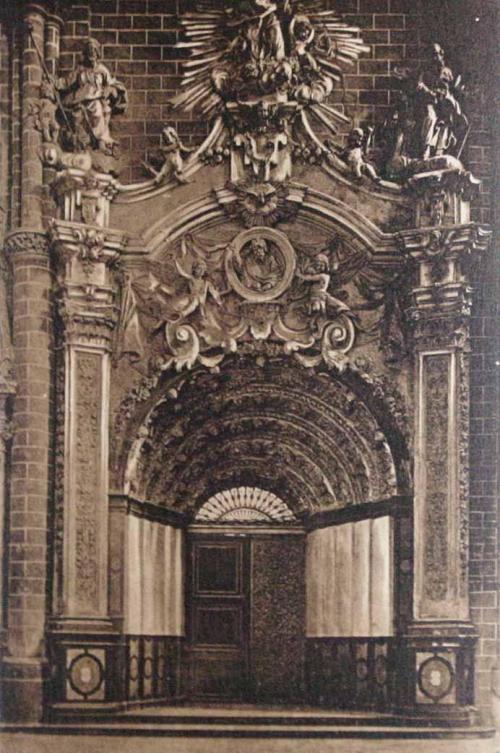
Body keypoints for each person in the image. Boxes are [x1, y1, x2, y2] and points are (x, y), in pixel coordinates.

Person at [57, 38, 127, 154]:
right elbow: (66, 82)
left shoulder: (102, 70)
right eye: (89, 51)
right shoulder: (80, 70)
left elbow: (111, 84)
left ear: (97, 54)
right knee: (77, 122)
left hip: (96, 100)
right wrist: (54, 82)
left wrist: (110, 90)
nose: (91, 54)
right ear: (86, 54)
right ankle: (80, 146)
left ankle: (101, 142)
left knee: (98, 113)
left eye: (94, 51)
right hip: (79, 101)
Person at [415, 43, 467, 160]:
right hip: (429, 103)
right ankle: (425, 149)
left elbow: (452, 89)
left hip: (443, 105)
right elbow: (419, 86)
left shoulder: (447, 71)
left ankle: (439, 153)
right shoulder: (424, 71)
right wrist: (428, 91)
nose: (436, 57)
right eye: (433, 55)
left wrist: (447, 92)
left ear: (442, 54)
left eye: (438, 54)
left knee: (446, 122)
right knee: (430, 117)